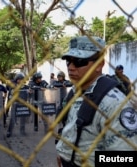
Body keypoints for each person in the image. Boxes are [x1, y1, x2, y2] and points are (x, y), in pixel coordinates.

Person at [56, 36, 137, 167]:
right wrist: (65, 154)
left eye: (79, 61)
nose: (70, 67)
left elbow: (125, 157)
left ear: (99, 64)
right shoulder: (76, 91)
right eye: (68, 62)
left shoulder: (114, 103)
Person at [6, 72, 30, 137]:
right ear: (17, 79)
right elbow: (11, 93)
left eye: (22, 79)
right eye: (20, 79)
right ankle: (9, 131)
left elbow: (29, 93)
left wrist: (30, 92)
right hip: (15, 104)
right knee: (13, 118)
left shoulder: (26, 87)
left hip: (23, 104)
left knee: (23, 118)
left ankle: (22, 131)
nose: (21, 80)